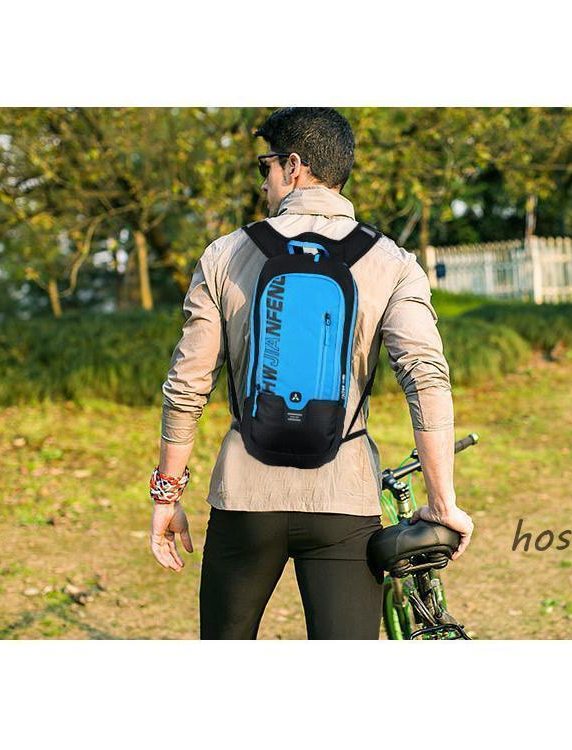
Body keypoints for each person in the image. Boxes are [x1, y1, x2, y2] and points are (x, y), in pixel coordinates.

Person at [150, 107, 474, 639]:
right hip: (344, 498)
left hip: (244, 497)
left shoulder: (225, 255)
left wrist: (167, 495)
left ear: (294, 166)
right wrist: (442, 503)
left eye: (266, 166)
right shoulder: (392, 262)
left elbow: (187, 384)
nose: (263, 183)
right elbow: (426, 378)